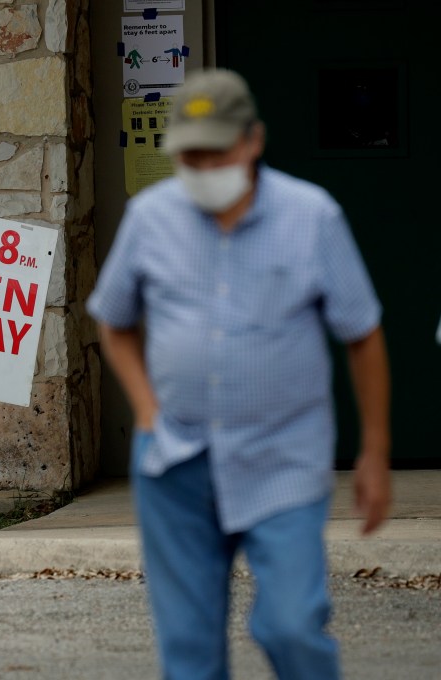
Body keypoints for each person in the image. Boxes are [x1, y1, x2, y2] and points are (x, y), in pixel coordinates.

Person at [86, 69, 391, 680]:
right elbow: (112, 320)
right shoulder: (151, 218)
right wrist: (146, 410)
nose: (202, 166)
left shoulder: (312, 217)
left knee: (290, 626)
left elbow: (362, 334)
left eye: (215, 150)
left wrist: (375, 452)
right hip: (175, 463)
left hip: (282, 458)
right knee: (190, 654)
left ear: (252, 140)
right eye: (189, 154)